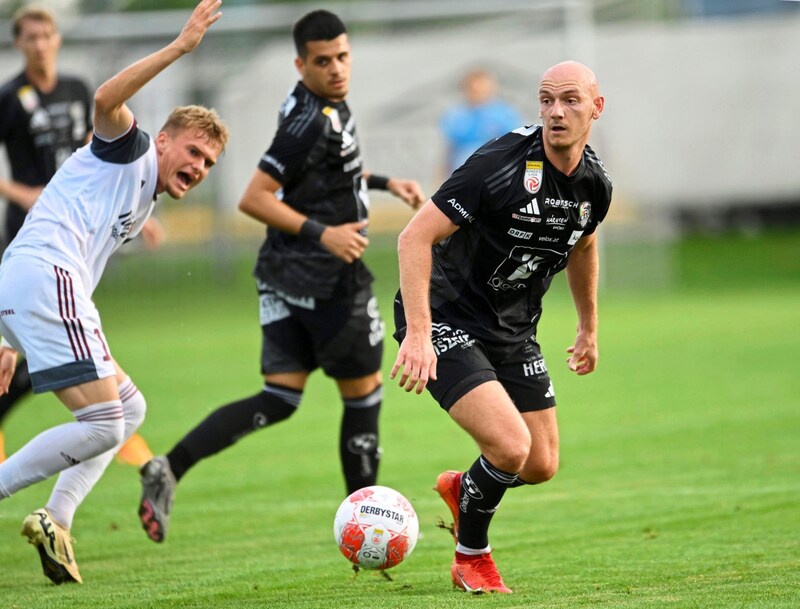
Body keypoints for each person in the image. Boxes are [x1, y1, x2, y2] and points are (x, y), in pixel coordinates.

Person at [137, 9, 424, 544]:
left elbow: (328, 170)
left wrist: (384, 181)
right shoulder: (307, 120)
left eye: (342, 57)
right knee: (362, 395)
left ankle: (170, 467)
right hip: (325, 277)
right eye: (323, 62)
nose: (337, 68)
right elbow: (254, 198)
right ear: (301, 64)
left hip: (282, 272)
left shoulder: (319, 104)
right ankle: (365, 533)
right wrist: (326, 234)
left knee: (279, 397)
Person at [0, 0, 228, 585]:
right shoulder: (130, 147)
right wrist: (180, 48)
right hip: (47, 278)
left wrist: (10, 334)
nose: (199, 167)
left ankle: (57, 517)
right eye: (194, 152)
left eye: (209, 162)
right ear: (167, 140)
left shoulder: (142, 191)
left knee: (129, 410)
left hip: (35, 282)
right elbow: (105, 100)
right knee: (105, 421)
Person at [391, 61, 612, 594]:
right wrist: (419, 332)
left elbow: (583, 243)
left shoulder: (594, 185)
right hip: (445, 313)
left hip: (511, 326)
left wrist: (588, 327)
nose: (556, 111)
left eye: (570, 100)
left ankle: (465, 488)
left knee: (539, 463)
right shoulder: (497, 164)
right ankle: (473, 557)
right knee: (511, 447)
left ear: (595, 108)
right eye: (546, 100)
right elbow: (412, 239)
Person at [0, 5, 157, 467]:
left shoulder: (75, 89)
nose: (40, 44)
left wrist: (141, 211)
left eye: (46, 35)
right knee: (82, 378)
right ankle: (130, 450)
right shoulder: (9, 97)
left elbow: (102, 156)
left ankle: (130, 450)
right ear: (19, 44)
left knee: (74, 362)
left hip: (78, 233)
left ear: (57, 40)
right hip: (35, 236)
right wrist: (21, 192)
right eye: (30, 37)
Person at [440, 68, 523, 177]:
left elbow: (516, 148)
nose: (478, 94)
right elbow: (450, 151)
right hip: (462, 176)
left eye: (483, 90)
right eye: (474, 90)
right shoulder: (456, 115)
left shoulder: (505, 114)